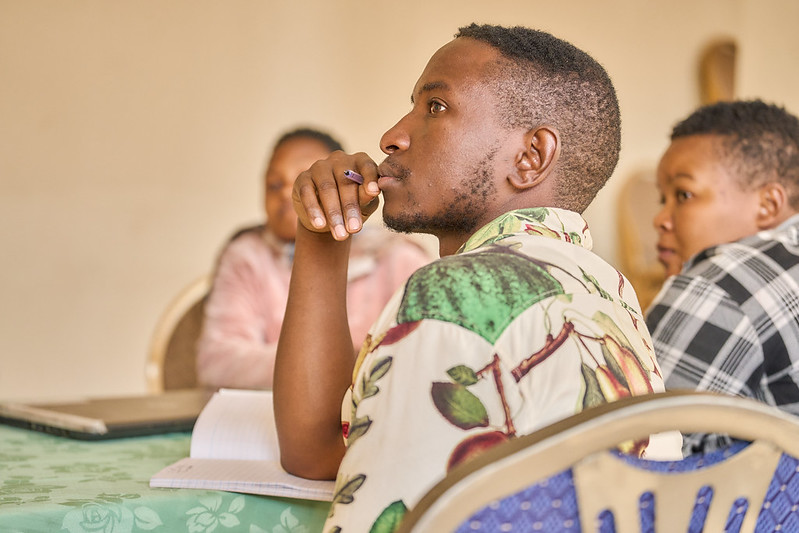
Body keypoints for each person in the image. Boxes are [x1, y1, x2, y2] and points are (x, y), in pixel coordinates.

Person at [273, 24, 681, 532]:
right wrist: (321, 235)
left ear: (530, 158)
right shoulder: (609, 291)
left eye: (435, 108)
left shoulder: (455, 295)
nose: (392, 136)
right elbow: (319, 454)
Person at [196, 127, 431, 389]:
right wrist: (338, 364)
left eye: (303, 183)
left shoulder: (396, 257)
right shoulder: (247, 256)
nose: (286, 193)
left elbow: (427, 354)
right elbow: (217, 362)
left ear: (346, 185)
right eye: (274, 184)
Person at [646, 100, 799, 454]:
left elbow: (640, 451)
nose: (660, 219)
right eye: (661, 199)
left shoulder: (719, 283)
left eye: (683, 195)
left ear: (769, 205)